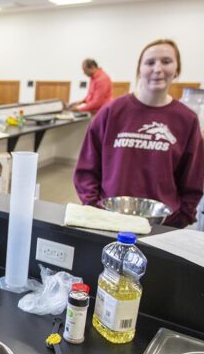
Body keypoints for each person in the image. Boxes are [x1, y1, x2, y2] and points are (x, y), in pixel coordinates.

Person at [73, 39, 204, 228]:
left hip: (163, 226)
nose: (157, 68)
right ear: (139, 69)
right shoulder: (112, 112)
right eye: (150, 62)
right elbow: (86, 169)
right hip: (109, 221)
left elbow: (193, 179)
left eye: (166, 61)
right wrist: (95, 209)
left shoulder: (187, 120)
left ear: (177, 69)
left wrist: (180, 218)